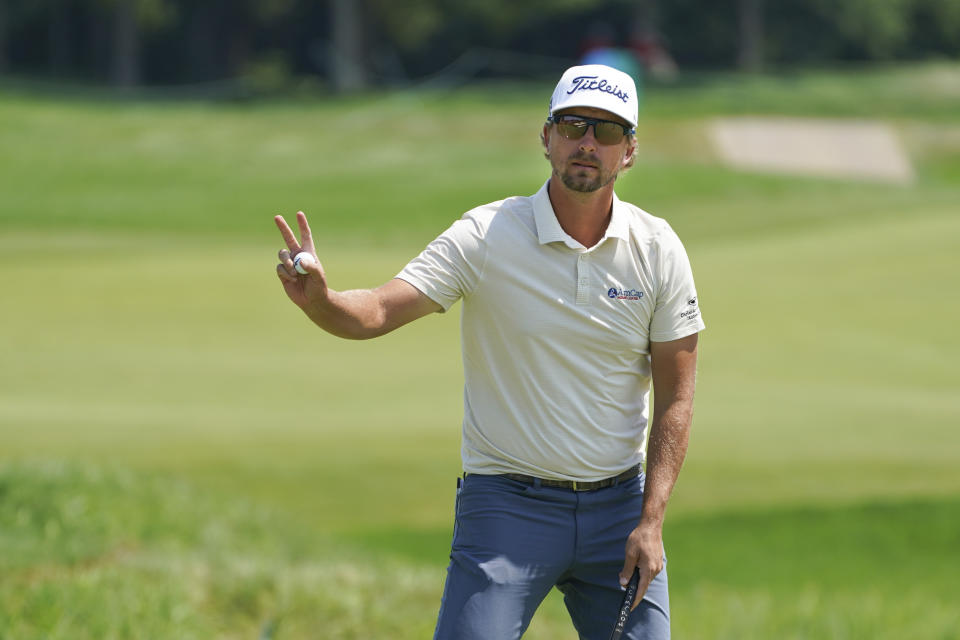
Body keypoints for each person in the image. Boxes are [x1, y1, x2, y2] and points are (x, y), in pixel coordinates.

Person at [274, 64, 704, 640]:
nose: (587, 143)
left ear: (628, 152)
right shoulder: (485, 235)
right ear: (546, 136)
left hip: (618, 511)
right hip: (507, 506)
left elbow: (677, 398)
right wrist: (322, 302)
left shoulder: (658, 249)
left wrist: (650, 521)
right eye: (574, 125)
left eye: (606, 132)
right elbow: (377, 310)